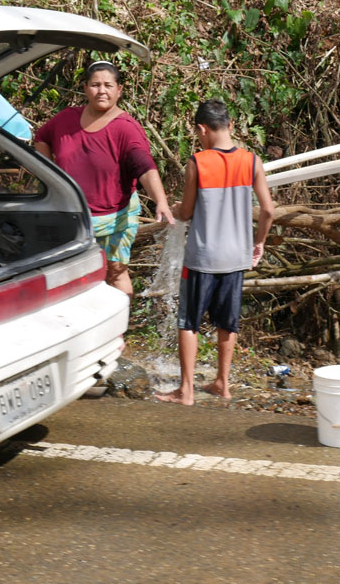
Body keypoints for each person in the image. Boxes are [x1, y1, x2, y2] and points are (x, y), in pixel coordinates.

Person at [156, 100, 275, 405]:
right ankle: (222, 383)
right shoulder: (252, 161)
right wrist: (258, 243)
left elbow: (186, 211)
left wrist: (174, 211)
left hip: (203, 258)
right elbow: (269, 210)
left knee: (189, 322)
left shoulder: (198, 162)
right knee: (227, 322)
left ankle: (186, 390)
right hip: (236, 258)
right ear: (231, 126)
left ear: (201, 129)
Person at [33, 60, 174, 297]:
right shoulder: (66, 119)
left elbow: (144, 166)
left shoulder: (126, 128)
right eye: (95, 85)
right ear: (85, 88)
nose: (102, 91)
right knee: (73, 276)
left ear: (119, 90)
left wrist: (160, 200)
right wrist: (49, 175)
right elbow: (41, 138)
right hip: (72, 217)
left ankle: (119, 328)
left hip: (114, 218)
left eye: (108, 85)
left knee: (115, 272)